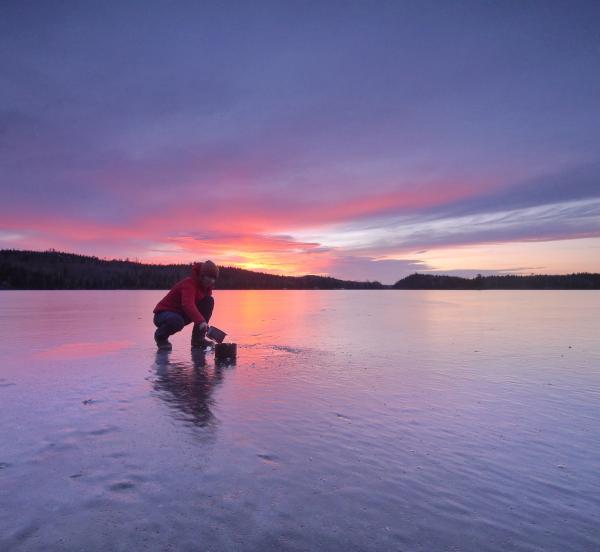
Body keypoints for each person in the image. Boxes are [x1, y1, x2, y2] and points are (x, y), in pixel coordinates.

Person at [153, 260, 219, 350]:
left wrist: (203, 323)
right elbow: (187, 304)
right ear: (202, 276)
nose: (212, 280)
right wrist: (201, 321)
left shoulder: (206, 289)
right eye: (209, 277)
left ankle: (198, 340)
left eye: (214, 278)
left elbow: (203, 308)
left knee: (208, 301)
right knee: (177, 321)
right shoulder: (189, 284)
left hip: (181, 315)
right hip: (163, 315)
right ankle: (160, 336)